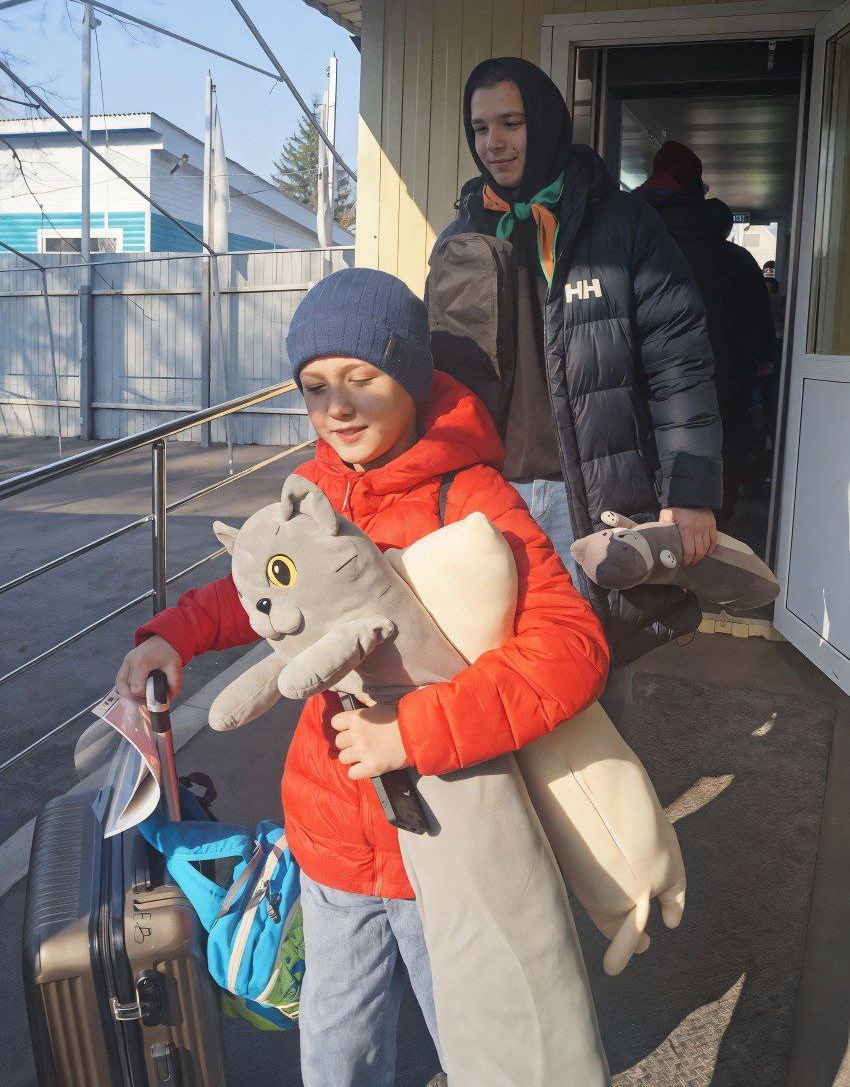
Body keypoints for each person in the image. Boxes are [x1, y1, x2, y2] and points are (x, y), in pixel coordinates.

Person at [116, 268, 611, 1087]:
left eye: (361, 378)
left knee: (479, 1043)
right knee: (336, 1048)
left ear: (410, 377)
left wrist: (414, 730)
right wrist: (175, 634)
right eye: (316, 387)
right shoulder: (313, 487)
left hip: (438, 844)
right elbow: (263, 589)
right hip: (329, 836)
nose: (337, 408)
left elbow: (571, 648)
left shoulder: (471, 497)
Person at [427, 58, 723, 666]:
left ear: (545, 122)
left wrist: (690, 489)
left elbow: (680, 363)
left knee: (596, 666)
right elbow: (438, 378)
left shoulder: (620, 224)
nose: (493, 142)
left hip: (588, 495)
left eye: (510, 123)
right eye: (480, 128)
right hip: (489, 496)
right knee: (495, 664)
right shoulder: (462, 238)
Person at [637, 140, 776, 518]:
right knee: (709, 519)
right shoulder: (735, 260)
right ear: (695, 189)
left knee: (638, 522)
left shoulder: (618, 240)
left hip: (636, 403)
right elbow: (761, 345)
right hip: (720, 399)